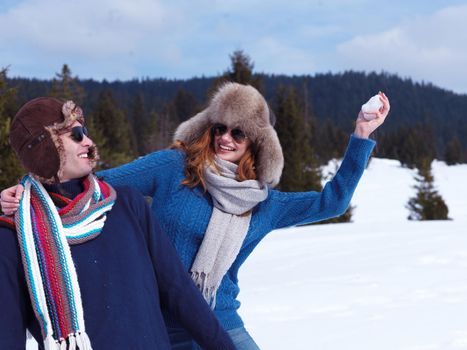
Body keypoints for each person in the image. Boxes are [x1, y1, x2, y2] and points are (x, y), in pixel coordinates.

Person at [2, 83, 390, 349]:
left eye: (239, 134)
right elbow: (90, 182)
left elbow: (333, 202)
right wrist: (24, 195)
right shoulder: (173, 168)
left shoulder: (265, 204)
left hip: (220, 321)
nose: (226, 138)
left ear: (255, 142)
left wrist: (361, 137)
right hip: (160, 323)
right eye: (220, 128)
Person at [0, 97, 236, 350]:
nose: (89, 141)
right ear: (44, 146)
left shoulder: (126, 205)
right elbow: (7, 334)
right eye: (76, 134)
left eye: (86, 131)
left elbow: (179, 290)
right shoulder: (15, 233)